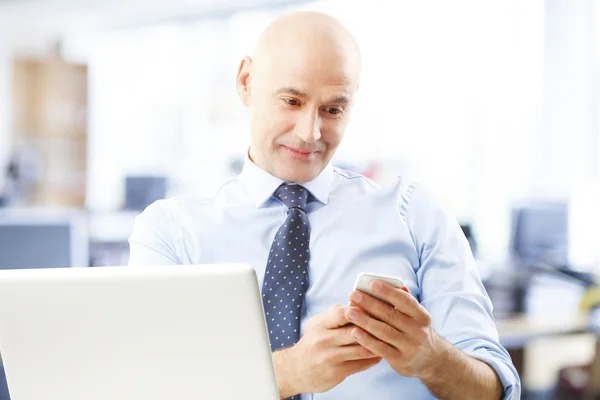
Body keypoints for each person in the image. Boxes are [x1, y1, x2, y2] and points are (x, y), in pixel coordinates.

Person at [128, 10, 520, 400]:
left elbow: (495, 390)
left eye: (333, 109)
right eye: (291, 101)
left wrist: (431, 358)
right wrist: (289, 373)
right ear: (246, 81)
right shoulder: (170, 232)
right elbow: (150, 387)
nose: (310, 132)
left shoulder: (415, 213)